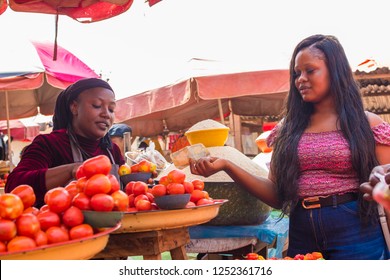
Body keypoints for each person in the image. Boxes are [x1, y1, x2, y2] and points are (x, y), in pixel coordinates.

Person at [190, 34, 390, 260]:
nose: (300, 79)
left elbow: (387, 188)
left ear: (335, 72)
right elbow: (276, 195)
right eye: (296, 73)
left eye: (310, 70)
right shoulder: (287, 129)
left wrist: (379, 187)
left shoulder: (368, 124)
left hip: (356, 229)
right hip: (302, 229)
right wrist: (227, 166)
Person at [5, 78, 125, 208]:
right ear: (74, 107)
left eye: (111, 109)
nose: (106, 114)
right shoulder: (49, 144)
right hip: (59, 226)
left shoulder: (112, 150)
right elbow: (13, 187)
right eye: (97, 105)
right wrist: (71, 170)